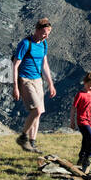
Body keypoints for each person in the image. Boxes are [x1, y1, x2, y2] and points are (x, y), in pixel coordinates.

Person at [12, 17, 55, 153]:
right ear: (37, 30)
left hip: (38, 80)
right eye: (43, 33)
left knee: (39, 112)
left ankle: (32, 143)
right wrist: (15, 87)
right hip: (25, 80)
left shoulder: (43, 44)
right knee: (36, 110)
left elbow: (45, 64)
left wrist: (50, 84)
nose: (46, 36)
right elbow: (15, 65)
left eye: (48, 33)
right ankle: (23, 136)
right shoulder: (25, 44)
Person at [71, 72, 91, 172]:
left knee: (86, 140)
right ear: (85, 83)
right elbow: (74, 108)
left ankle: (81, 158)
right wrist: (72, 121)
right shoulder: (80, 95)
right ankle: (87, 158)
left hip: (89, 121)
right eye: (89, 86)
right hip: (82, 121)